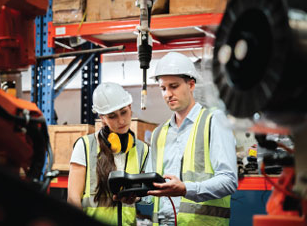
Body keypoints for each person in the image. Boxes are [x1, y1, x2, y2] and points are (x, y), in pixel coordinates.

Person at [146, 52, 238, 226]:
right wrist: (134, 196)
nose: (168, 94)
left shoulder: (214, 121)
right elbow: (153, 191)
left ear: (191, 85)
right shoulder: (159, 133)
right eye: (163, 88)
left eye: (174, 86)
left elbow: (229, 180)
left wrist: (186, 189)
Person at [68, 82, 149, 226]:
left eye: (124, 112)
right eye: (112, 116)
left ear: (130, 107)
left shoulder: (142, 150)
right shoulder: (85, 146)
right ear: (102, 118)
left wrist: (135, 198)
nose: (121, 120)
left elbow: (144, 193)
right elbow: (73, 198)